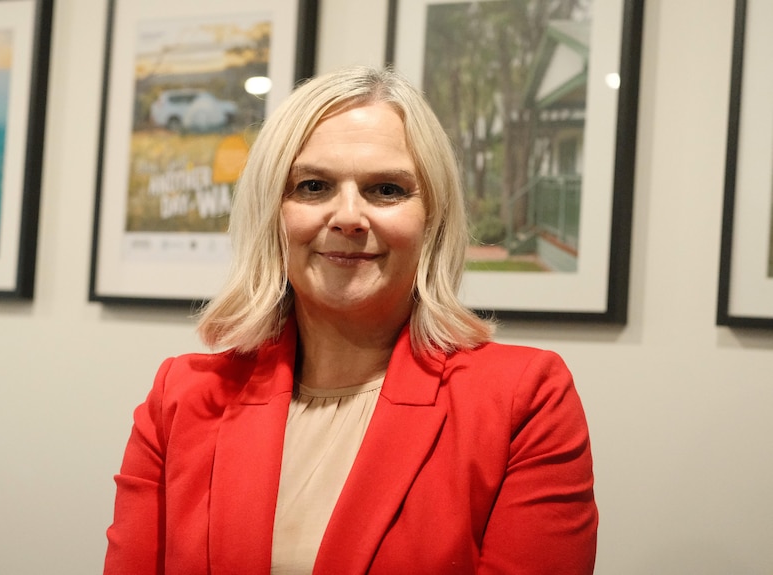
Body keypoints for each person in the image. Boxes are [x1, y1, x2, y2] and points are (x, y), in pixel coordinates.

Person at [103, 66, 597, 574]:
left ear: (434, 219)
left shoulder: (524, 400)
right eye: (313, 186)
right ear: (271, 214)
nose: (348, 217)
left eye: (386, 190)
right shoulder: (179, 398)